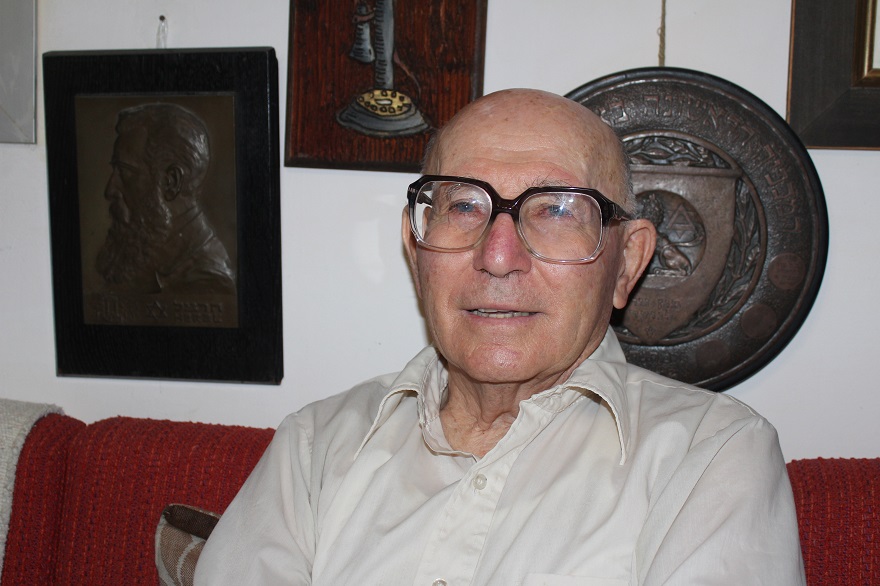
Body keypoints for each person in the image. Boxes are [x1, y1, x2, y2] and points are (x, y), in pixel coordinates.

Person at [195, 89, 804, 585]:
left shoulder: (712, 457)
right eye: (463, 206)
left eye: (558, 209)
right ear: (416, 251)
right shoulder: (314, 448)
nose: (498, 255)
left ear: (627, 262)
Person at [96, 103, 236, 296]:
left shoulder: (209, 282)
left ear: (171, 182)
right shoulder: (144, 252)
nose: (110, 190)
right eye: (115, 170)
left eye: (126, 172)